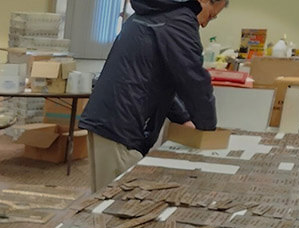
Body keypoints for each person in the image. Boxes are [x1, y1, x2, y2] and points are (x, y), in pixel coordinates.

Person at [80, 0, 229, 191]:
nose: (205, 24)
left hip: (109, 119)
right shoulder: (180, 22)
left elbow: (160, 81)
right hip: (121, 126)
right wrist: (208, 133)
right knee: (119, 202)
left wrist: (183, 119)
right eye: (210, 15)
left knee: (105, 195)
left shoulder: (156, 13)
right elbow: (195, 82)